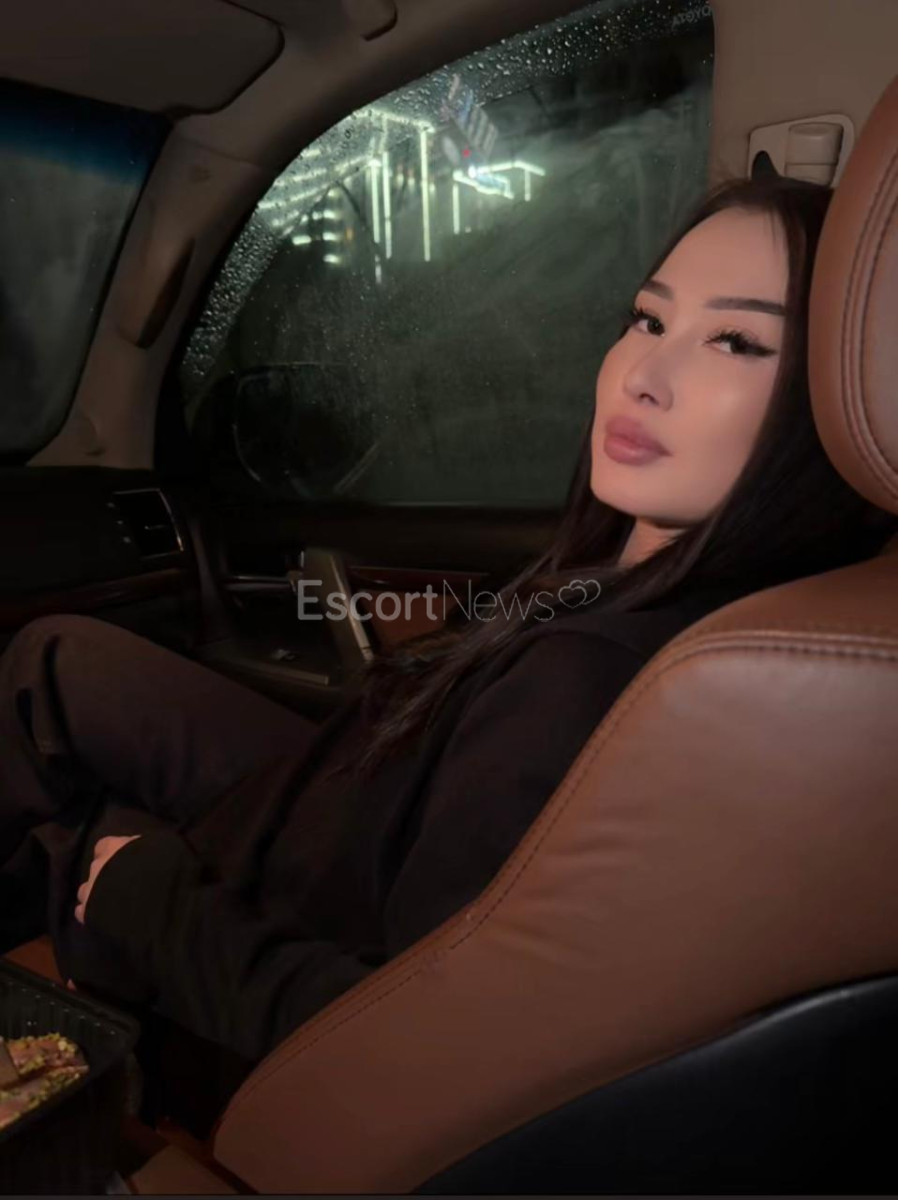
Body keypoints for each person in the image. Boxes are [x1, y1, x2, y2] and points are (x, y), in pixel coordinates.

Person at [1, 175, 893, 1069]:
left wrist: (147, 901)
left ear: (836, 397)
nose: (641, 378)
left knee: (59, 841)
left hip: (282, 920)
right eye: (648, 320)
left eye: (736, 342)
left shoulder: (579, 677)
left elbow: (410, 1047)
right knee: (56, 659)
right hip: (355, 809)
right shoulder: (659, 585)